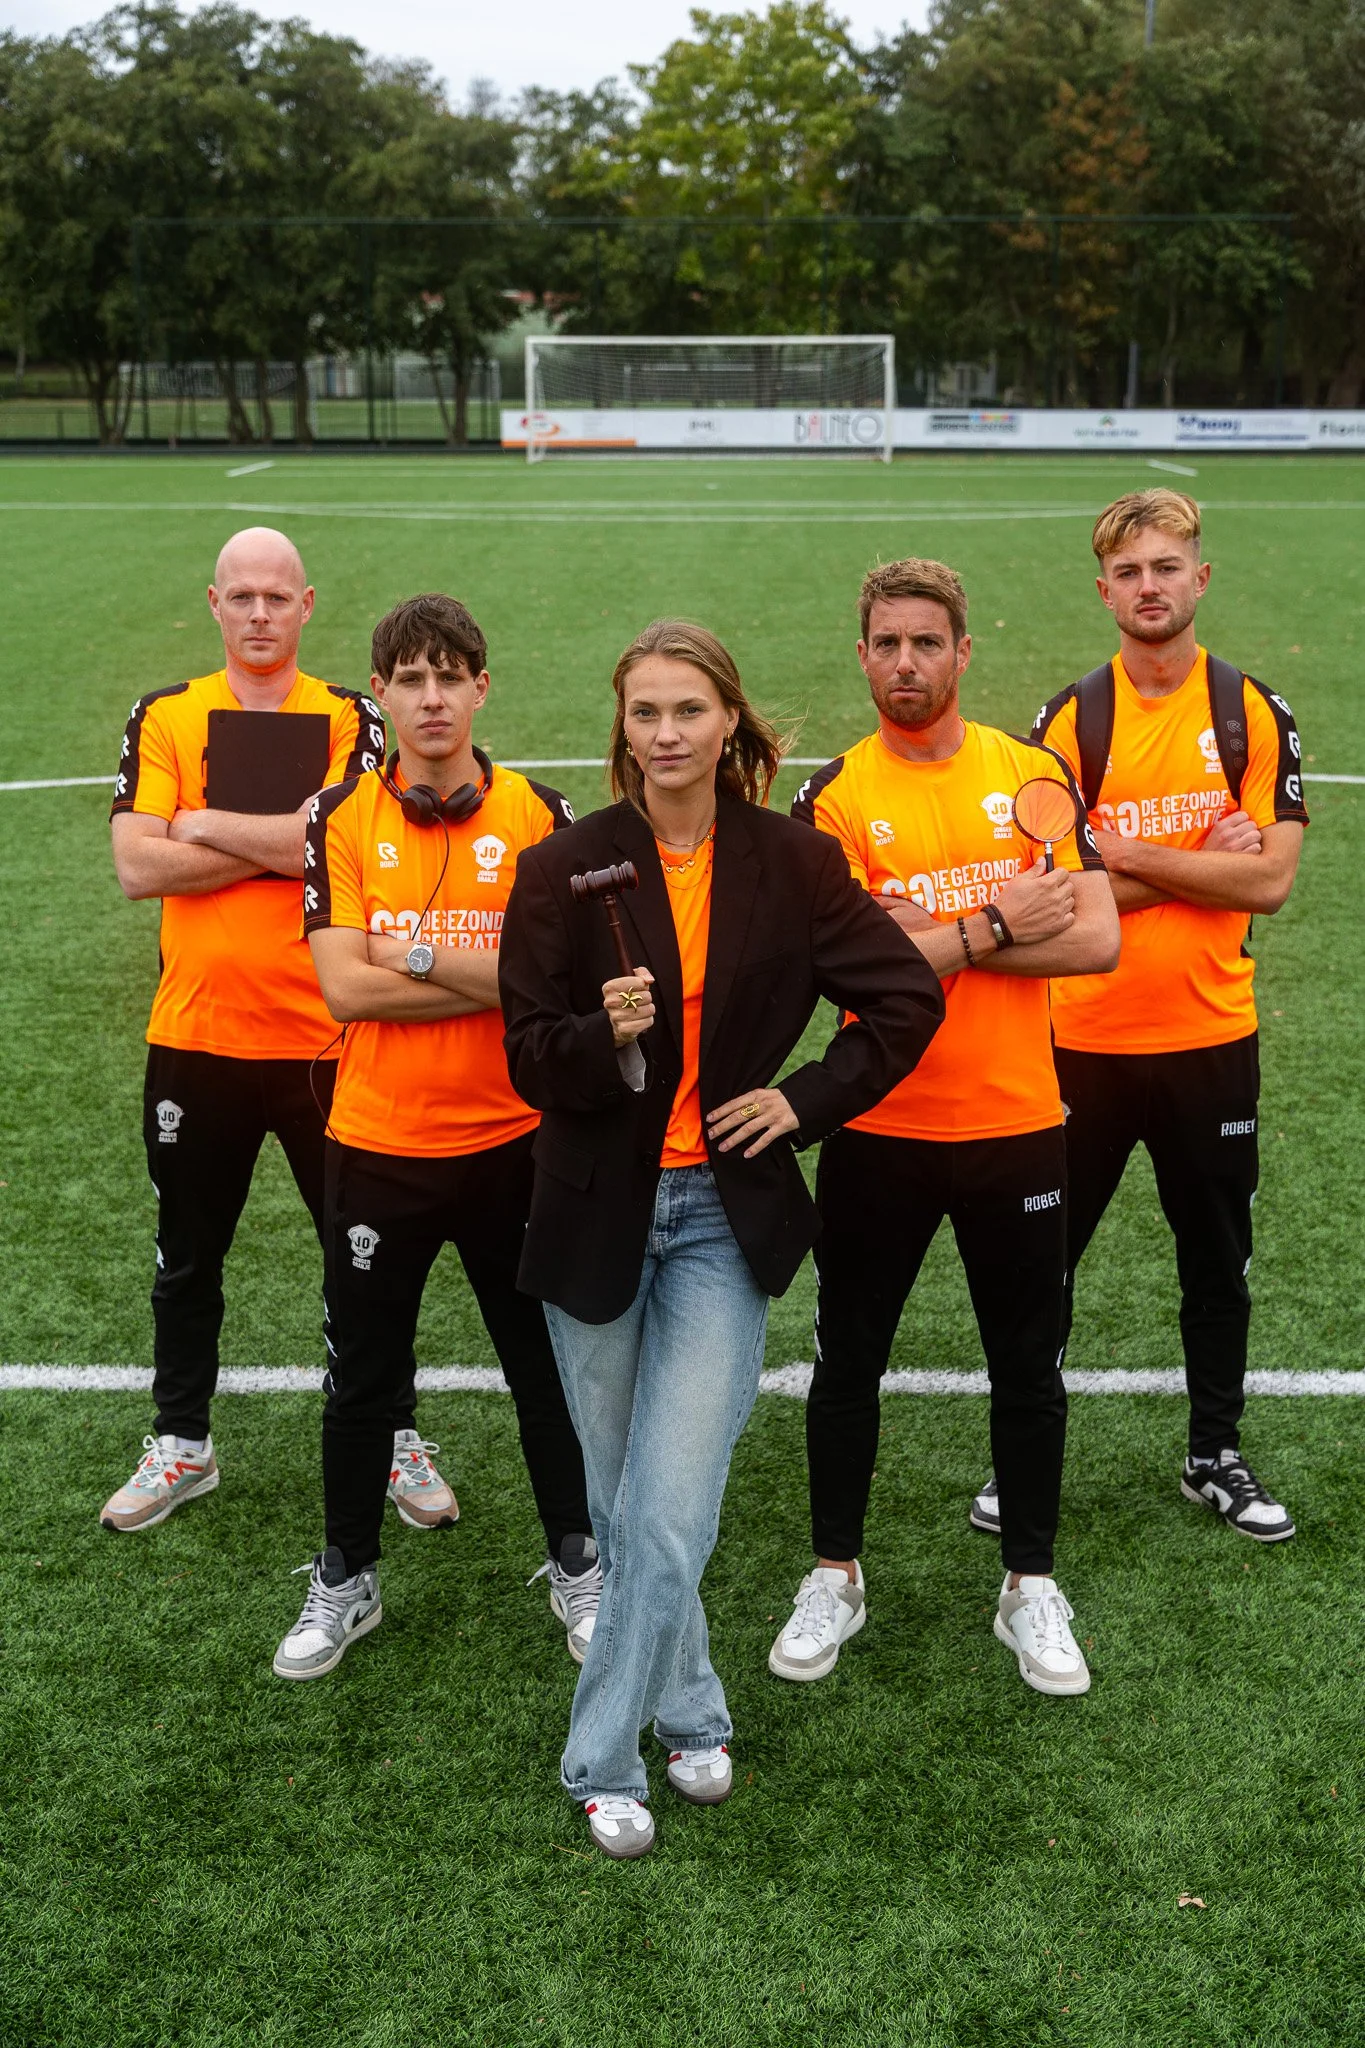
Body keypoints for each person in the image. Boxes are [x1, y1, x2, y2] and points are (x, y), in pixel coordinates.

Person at [499, 618, 944, 1859]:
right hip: (593, 1211)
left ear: (729, 721)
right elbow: (527, 1054)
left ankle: (600, 1756)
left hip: (719, 1218)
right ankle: (692, 1707)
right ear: (622, 725)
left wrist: (803, 1100)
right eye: (644, 711)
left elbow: (906, 996)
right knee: (625, 1499)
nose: (665, 733)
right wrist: (605, 1037)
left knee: (669, 1503)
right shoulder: (565, 864)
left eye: (688, 709)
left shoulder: (793, 861)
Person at [770, 558, 1119, 1697]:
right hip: (879, 1125)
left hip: (1018, 1123)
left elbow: (1096, 938)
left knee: (1028, 1365)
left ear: (963, 651)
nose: (906, 663)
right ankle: (835, 1573)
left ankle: (1030, 1585)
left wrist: (926, 934)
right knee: (848, 1360)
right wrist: (998, 918)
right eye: (887, 643)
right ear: (861, 654)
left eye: (927, 642)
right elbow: (844, 966)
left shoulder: (1031, 772)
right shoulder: (832, 798)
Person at [969, 490, 1307, 1545]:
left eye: (1166, 567)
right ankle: (1019, 1457)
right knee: (1045, 1259)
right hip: (1079, 1045)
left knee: (1216, 1261)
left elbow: (1270, 884)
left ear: (1199, 578)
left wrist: (1119, 853)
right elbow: (1052, 900)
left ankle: (1214, 1453)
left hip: (1212, 1040)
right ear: (1104, 590)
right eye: (1129, 571)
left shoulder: (1251, 712)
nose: (1149, 586)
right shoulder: (1071, 723)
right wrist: (1198, 860)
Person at [273, 593, 599, 1681]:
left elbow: (552, 985)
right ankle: (347, 1575)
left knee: (542, 1371)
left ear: (480, 688)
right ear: (381, 694)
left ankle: (578, 1560)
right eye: (409, 678)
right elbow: (342, 989)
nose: (430, 697)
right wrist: (487, 974)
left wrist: (406, 953)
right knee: (362, 1380)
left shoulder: (541, 814)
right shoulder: (338, 815)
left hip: (516, 1146)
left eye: (449, 675)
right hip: (377, 1144)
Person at [105, 528, 455, 1535]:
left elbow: (341, 843)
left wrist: (202, 821)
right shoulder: (165, 714)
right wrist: (286, 839)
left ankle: (390, 1432)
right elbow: (137, 865)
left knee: (364, 1257)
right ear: (214, 603)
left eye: (276, 596)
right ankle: (183, 1440)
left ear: (307, 606)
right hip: (196, 1037)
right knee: (186, 1256)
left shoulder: (350, 716)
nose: (259, 613)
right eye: (242, 596)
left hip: (327, 1041)